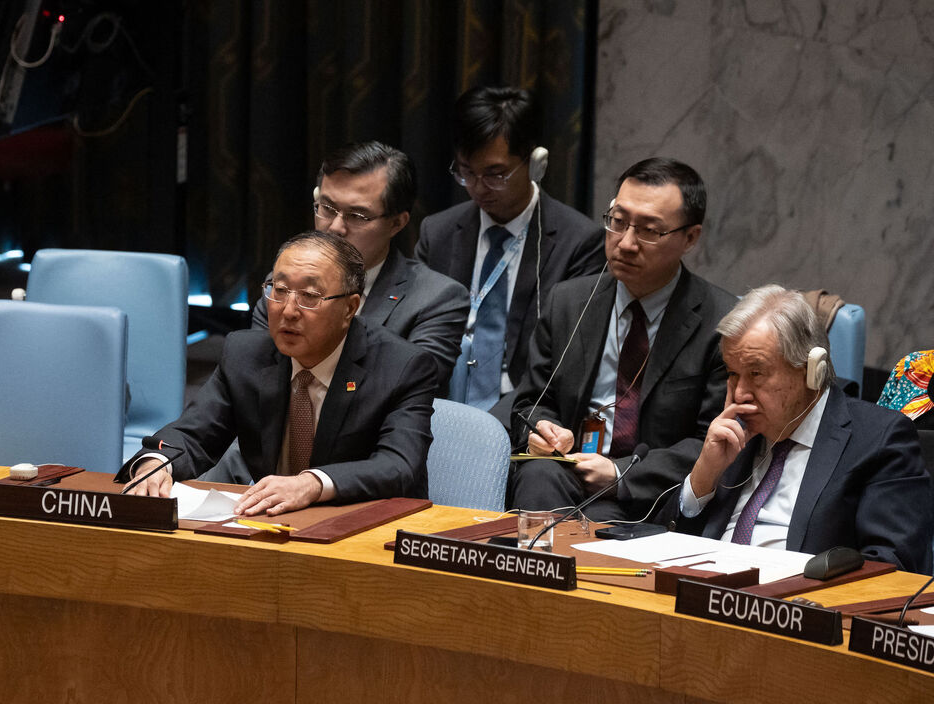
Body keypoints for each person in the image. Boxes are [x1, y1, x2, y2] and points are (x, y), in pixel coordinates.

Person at [119, 231, 439, 516]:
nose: (288, 310)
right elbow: (194, 433)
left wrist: (312, 484)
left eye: (310, 297)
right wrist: (157, 464)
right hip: (275, 526)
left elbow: (398, 466)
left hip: (365, 529)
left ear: (350, 308)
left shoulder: (403, 367)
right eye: (279, 289)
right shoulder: (246, 354)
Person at [510, 158, 736, 520]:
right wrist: (542, 430)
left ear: (690, 238)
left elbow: (714, 440)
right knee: (537, 474)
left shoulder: (723, 323)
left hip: (657, 497)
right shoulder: (568, 301)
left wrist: (620, 473)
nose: (626, 243)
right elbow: (531, 401)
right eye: (618, 222)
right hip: (567, 471)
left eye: (649, 230)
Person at [663, 285, 932, 573]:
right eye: (732, 373)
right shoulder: (732, 434)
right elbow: (666, 543)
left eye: (756, 373)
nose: (740, 393)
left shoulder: (879, 438)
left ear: (812, 370)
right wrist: (703, 476)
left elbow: (892, 566)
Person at [417, 86, 604, 420]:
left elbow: (566, 361)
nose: (477, 187)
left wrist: (489, 425)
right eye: (466, 172)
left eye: (495, 174)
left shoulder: (580, 243)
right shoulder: (438, 233)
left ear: (535, 164)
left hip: (523, 409)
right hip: (437, 406)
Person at [252, 141, 468, 386]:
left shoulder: (436, 299)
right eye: (327, 208)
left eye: (356, 216)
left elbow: (412, 387)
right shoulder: (285, 284)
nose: (335, 228)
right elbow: (257, 374)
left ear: (397, 223)